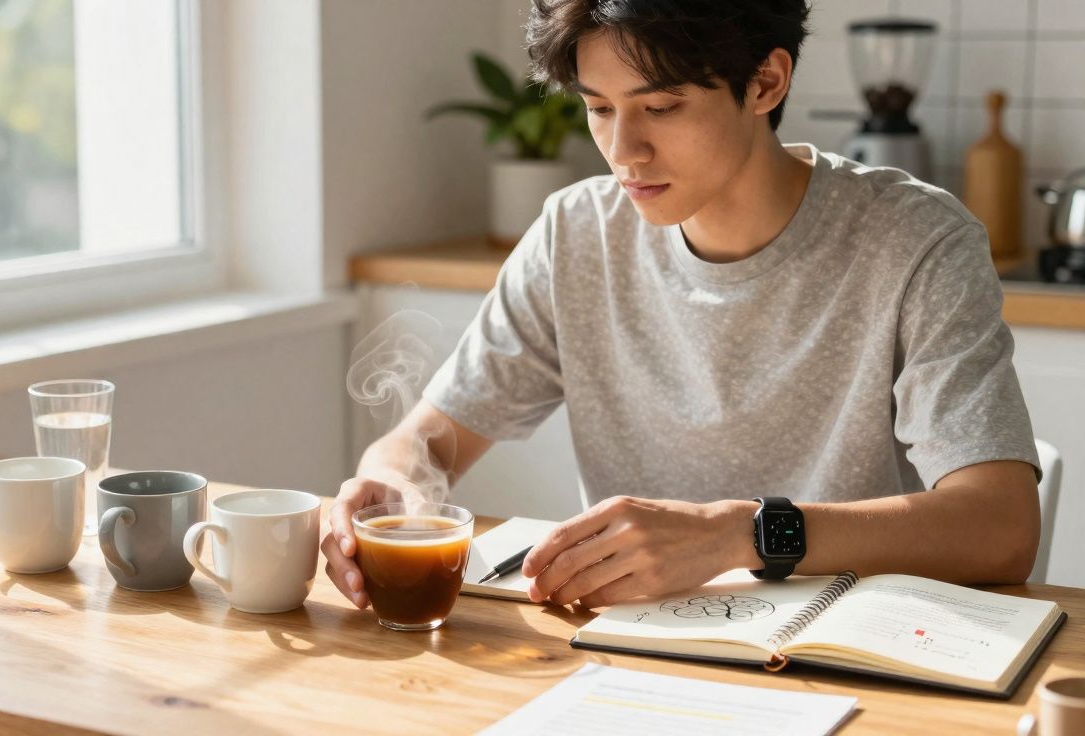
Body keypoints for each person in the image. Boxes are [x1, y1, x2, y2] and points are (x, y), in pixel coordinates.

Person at [324, 0, 1042, 611]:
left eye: (660, 107)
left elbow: (1001, 527)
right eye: (598, 108)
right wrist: (387, 483)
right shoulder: (577, 234)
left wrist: (743, 532)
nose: (623, 150)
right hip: (628, 653)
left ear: (765, 81)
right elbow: (432, 441)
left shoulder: (914, 240)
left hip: (840, 654)